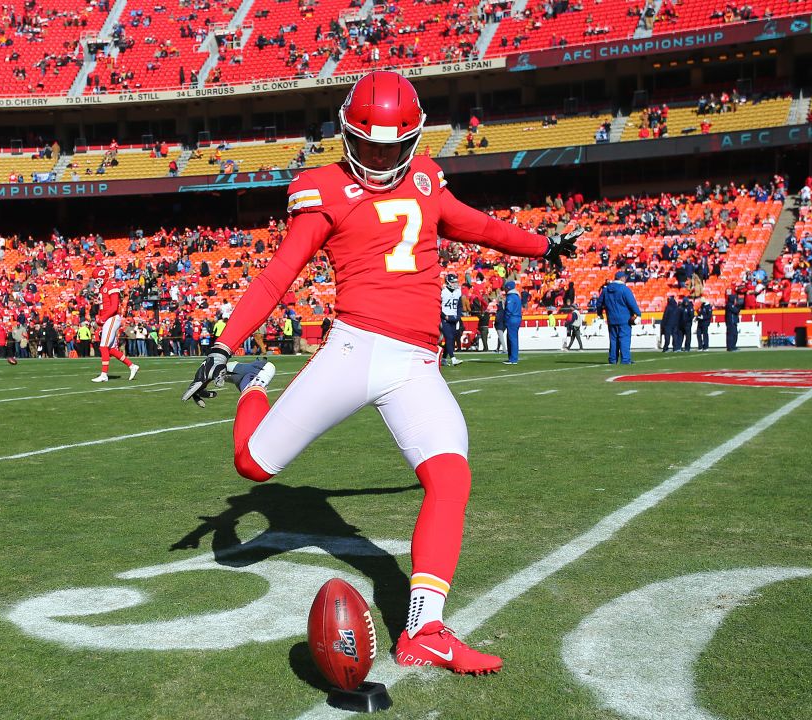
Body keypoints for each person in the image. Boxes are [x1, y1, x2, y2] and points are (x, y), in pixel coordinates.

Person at [180, 71, 581, 676]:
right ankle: (253, 381)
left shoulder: (425, 180)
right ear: (347, 136)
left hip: (417, 362)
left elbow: (478, 225)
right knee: (253, 467)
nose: (380, 158)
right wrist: (224, 342)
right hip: (356, 349)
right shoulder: (324, 190)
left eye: (393, 147)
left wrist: (541, 245)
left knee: (450, 479)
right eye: (369, 146)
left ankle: (425, 630)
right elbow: (278, 273)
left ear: (412, 140)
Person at [91, 265, 140, 382]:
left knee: (103, 346)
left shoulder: (111, 285)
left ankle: (104, 374)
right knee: (110, 349)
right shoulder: (103, 287)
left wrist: (103, 318)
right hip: (109, 318)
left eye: (98, 279)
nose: (97, 282)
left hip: (112, 317)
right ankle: (132, 366)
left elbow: (114, 307)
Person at [596, 271, 640, 364]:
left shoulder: (606, 289)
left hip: (611, 319)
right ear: (622, 278)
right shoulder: (624, 289)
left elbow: (599, 303)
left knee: (613, 340)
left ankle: (613, 360)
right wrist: (638, 314)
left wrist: (600, 313)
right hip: (624, 319)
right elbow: (632, 303)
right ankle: (625, 360)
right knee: (624, 339)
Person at [440, 273, 464, 366]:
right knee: (449, 338)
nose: (455, 284)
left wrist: (458, 316)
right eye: (453, 282)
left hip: (454, 319)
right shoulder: (443, 292)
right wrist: (444, 316)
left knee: (451, 339)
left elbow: (459, 306)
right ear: (448, 282)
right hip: (444, 318)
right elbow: (437, 306)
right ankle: (453, 359)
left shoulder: (458, 292)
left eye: (456, 282)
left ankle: (444, 359)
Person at [503, 280, 523, 365]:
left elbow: (509, 309)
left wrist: (505, 318)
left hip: (512, 319)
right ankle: (512, 358)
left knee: (512, 339)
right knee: (513, 338)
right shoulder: (517, 296)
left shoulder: (510, 297)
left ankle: (513, 359)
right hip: (517, 317)